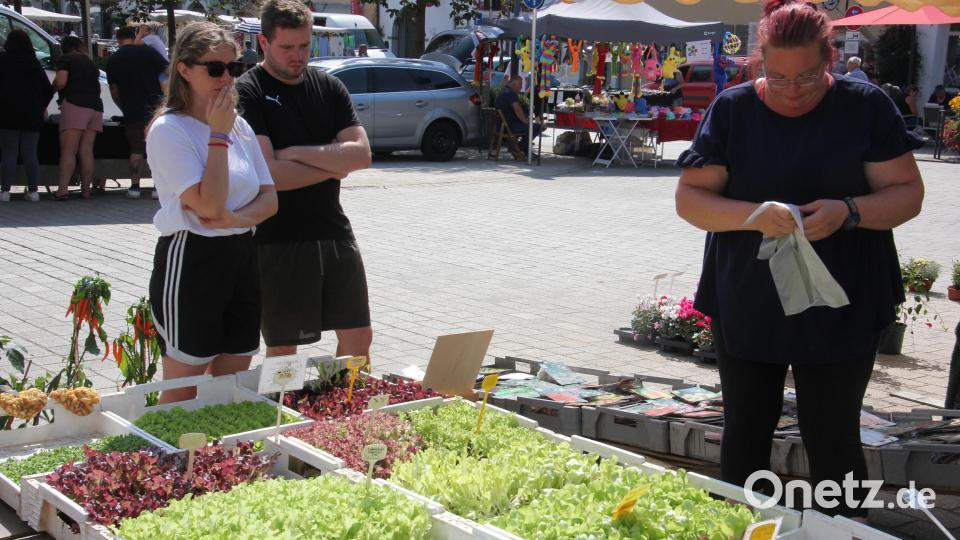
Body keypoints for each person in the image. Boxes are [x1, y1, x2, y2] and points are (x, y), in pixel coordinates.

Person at [675, 0, 923, 519]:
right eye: (777, 76)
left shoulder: (866, 106)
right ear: (759, 60)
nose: (792, 91)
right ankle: (741, 524)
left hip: (843, 297)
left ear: (829, 59)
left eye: (807, 77)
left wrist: (849, 211)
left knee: (833, 432)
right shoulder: (734, 108)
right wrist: (752, 216)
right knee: (745, 429)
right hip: (749, 295)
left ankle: (844, 530)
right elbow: (691, 201)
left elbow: (907, 194)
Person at [145, 22, 277, 403]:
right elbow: (208, 205)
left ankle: (217, 461)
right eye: (214, 69)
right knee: (183, 386)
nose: (226, 78)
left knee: (231, 379)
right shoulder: (169, 130)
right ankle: (168, 459)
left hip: (239, 252)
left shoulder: (240, 126)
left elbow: (270, 199)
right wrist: (218, 136)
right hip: (192, 256)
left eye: (233, 68)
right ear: (185, 69)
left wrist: (238, 220)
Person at [236, 0, 373, 362]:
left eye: (304, 45)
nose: (298, 56)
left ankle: (344, 411)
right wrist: (333, 163)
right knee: (284, 350)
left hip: (333, 229)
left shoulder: (329, 87)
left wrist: (294, 151)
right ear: (264, 43)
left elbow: (361, 155)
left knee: (359, 339)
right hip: (277, 238)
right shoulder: (247, 91)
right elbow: (269, 175)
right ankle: (289, 416)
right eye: (287, 48)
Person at [107, 26, 169, 199]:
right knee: (157, 149)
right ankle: (157, 187)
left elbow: (114, 90)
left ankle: (134, 187)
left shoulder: (113, 60)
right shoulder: (148, 52)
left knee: (136, 149)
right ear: (134, 35)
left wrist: (123, 106)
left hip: (132, 110)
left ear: (118, 40)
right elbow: (167, 69)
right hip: (155, 108)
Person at [0, 29, 54, 202]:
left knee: (9, 153)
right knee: (30, 153)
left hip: (7, 113)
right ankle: (33, 191)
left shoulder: (2, 61)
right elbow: (47, 89)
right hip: (32, 114)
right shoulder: (34, 63)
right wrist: (41, 106)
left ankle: (5, 191)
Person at [52, 36, 103, 200]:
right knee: (87, 151)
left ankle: (63, 190)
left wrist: (50, 90)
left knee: (69, 151)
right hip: (95, 107)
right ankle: (86, 191)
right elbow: (99, 88)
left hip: (75, 104)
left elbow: (61, 82)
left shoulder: (66, 59)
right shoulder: (90, 63)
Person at [496, 76, 542, 152]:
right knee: (537, 127)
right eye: (520, 86)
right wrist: (525, 121)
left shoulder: (503, 90)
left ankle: (520, 147)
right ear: (513, 85)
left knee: (531, 126)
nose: (521, 88)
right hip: (510, 126)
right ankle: (521, 147)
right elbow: (517, 108)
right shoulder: (510, 93)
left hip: (502, 125)